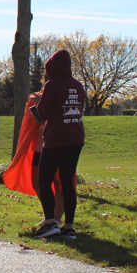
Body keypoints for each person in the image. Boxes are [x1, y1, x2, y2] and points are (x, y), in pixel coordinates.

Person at [31, 50, 85, 239]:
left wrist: (35, 107)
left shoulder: (52, 85)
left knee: (44, 181)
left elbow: (42, 115)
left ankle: (50, 223)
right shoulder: (78, 85)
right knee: (67, 182)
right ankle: (69, 227)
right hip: (76, 138)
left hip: (55, 139)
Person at [3, 88, 66, 231]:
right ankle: (50, 215)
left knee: (58, 183)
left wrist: (43, 104)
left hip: (56, 145)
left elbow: (62, 114)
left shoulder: (62, 92)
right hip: (39, 146)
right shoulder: (38, 95)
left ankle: (56, 218)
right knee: (37, 183)